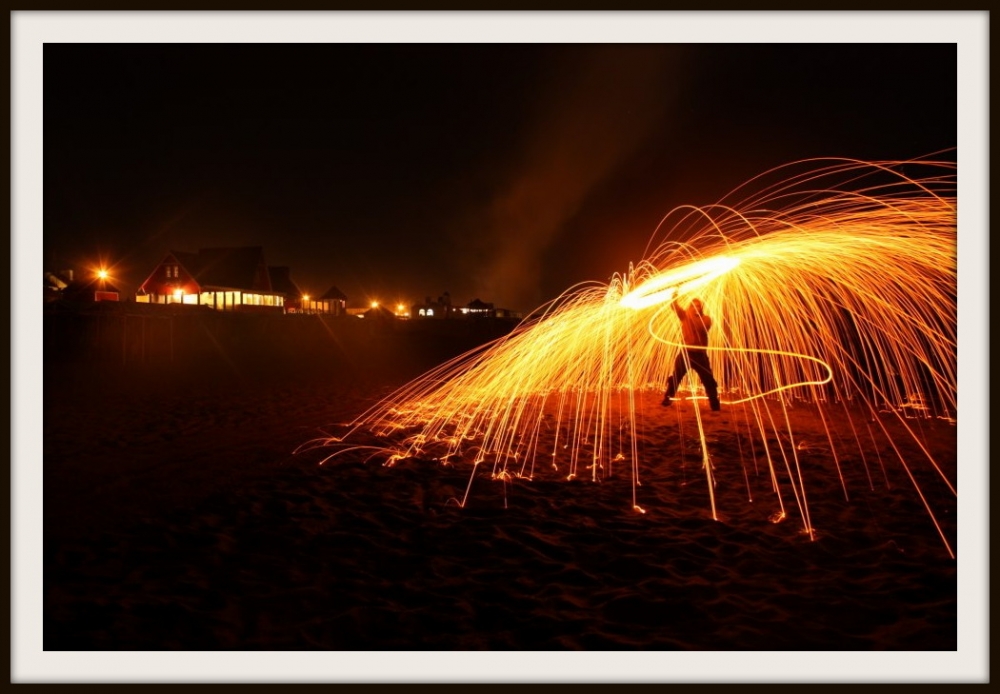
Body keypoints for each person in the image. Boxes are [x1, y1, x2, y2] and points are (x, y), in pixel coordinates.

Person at [662, 294, 721, 411]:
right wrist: (674, 295)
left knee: (708, 380)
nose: (695, 308)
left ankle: (715, 404)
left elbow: (701, 327)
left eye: (698, 306)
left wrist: (687, 315)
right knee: (676, 377)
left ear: (701, 308)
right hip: (686, 354)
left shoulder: (706, 319)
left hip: (700, 355)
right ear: (690, 307)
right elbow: (674, 306)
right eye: (693, 306)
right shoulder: (684, 316)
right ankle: (667, 400)